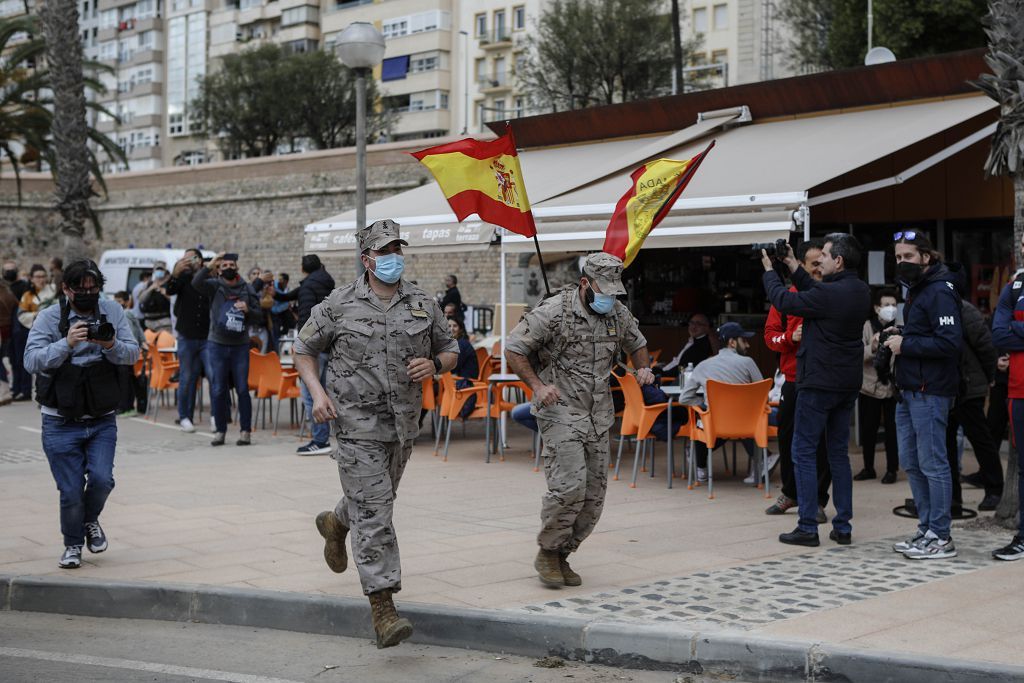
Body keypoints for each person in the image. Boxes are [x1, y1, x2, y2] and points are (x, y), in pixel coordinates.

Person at [295, 219, 458, 649]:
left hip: (404, 424)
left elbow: (451, 349)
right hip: (354, 424)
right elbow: (304, 349)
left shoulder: (422, 302)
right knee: (377, 515)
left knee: (375, 503)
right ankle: (383, 606)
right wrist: (316, 394)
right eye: (385, 252)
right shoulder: (340, 303)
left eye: (397, 251)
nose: (393, 259)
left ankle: (334, 522)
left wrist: (436, 365)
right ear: (367, 259)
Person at [505, 252, 652, 588]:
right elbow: (514, 347)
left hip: (598, 415)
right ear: (585, 283)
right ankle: (547, 550)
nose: (609, 298)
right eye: (603, 291)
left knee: (594, 496)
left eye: (614, 292)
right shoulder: (555, 311)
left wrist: (644, 366)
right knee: (569, 487)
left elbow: (637, 343)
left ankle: (562, 554)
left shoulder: (617, 312)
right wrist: (538, 386)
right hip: (560, 412)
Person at [23, 260, 140, 569]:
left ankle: (88, 521)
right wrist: (67, 343)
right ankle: (73, 545)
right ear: (66, 289)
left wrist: (110, 343)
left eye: (94, 288)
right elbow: (31, 361)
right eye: (81, 289)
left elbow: (133, 352)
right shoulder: (50, 317)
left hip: (101, 416)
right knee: (71, 490)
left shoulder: (112, 311)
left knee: (102, 480)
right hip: (60, 419)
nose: (88, 294)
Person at [762, 234, 871, 548]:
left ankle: (808, 525)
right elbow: (815, 289)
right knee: (838, 454)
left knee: (803, 452)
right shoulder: (860, 290)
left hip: (818, 382)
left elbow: (784, 300)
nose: (819, 260)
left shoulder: (828, 295)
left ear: (838, 261)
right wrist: (792, 264)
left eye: (823, 255)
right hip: (847, 384)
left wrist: (770, 271)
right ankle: (843, 526)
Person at [886, 231, 962, 560]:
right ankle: (926, 527)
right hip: (909, 390)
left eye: (908, 257)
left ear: (926, 258)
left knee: (933, 463)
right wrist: (900, 333)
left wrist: (906, 344)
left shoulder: (940, 291)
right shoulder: (917, 290)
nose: (902, 263)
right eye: (898, 257)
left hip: (930, 390)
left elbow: (949, 343)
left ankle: (941, 535)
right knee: (911, 462)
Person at [764, 240, 833, 522]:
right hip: (793, 379)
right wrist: (789, 339)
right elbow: (769, 337)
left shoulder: (832, 295)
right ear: (800, 265)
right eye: (813, 264)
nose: (819, 269)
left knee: (821, 443)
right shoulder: (785, 297)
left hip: (824, 381)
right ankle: (791, 492)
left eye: (822, 263)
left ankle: (816, 499)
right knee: (788, 438)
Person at [678, 322, 768, 482]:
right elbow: (763, 394)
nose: (747, 345)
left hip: (713, 424)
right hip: (747, 425)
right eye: (744, 340)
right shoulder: (747, 362)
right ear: (732, 342)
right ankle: (763, 459)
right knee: (745, 415)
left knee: (702, 420)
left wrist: (705, 402)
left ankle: (701, 468)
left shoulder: (703, 365)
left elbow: (684, 398)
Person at [943, 263, 1000, 513]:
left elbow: (986, 348)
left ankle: (995, 490)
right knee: (946, 446)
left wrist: (989, 377)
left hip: (969, 388)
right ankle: (953, 498)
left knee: (981, 441)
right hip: (945, 389)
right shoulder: (937, 309)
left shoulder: (966, 311)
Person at [192, 252, 261, 447]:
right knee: (218, 388)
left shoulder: (247, 288)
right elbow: (196, 283)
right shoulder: (214, 286)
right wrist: (210, 264)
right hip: (217, 344)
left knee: (242, 389)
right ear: (219, 269)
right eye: (224, 265)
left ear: (237, 267)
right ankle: (220, 431)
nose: (229, 267)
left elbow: (259, 316)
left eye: (232, 264)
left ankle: (245, 431)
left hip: (240, 346)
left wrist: (248, 310)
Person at [273, 254, 335, 456]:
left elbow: (307, 318)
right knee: (322, 390)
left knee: (311, 393)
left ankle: (319, 439)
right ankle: (323, 436)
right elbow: (286, 296)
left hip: (313, 348)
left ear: (303, 268)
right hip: (326, 345)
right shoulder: (325, 282)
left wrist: (301, 345)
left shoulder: (308, 286)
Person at [988, 233, 1024, 561]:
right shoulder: (1013, 288)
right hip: (1018, 390)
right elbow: (998, 333)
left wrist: (1016, 331)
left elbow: (1008, 331)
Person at [854, 288, 900, 483]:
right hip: (869, 386)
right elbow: (855, 354)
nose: (890, 309)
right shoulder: (865, 327)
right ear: (876, 307)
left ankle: (892, 470)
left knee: (892, 431)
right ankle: (868, 467)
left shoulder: (899, 329)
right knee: (869, 429)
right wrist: (872, 347)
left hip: (891, 386)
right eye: (886, 305)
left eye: (894, 305)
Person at [164, 249, 211, 433]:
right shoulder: (182, 277)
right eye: (186, 258)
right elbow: (170, 289)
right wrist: (175, 274)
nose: (189, 261)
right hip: (186, 335)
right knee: (187, 377)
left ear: (200, 260)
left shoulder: (208, 276)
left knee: (214, 375)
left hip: (206, 335)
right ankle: (185, 416)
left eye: (193, 257)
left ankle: (217, 417)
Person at [113, 290, 148, 416]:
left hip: (124, 354)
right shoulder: (128, 314)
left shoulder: (125, 315)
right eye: (115, 301)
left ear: (127, 302)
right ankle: (127, 406)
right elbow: (139, 331)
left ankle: (125, 407)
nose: (117, 304)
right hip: (128, 354)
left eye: (120, 301)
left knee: (124, 381)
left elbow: (130, 335)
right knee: (128, 380)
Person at [656, 313, 717, 378]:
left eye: (698, 324)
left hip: (675, 379)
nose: (693, 326)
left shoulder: (702, 346)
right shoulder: (694, 340)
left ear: (707, 327)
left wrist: (663, 372)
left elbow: (683, 368)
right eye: (692, 323)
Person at [4, 261, 32, 401]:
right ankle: (16, 388)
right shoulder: (5, 288)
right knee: (13, 360)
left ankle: (25, 390)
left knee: (22, 359)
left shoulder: (24, 286)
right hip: (9, 328)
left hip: (21, 327)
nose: (9, 272)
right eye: (6, 270)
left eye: (11, 269)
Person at [448, 315, 480, 418]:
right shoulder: (455, 343)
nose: (451, 329)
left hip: (466, 386)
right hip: (458, 384)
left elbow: (453, 368)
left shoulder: (461, 344)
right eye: (449, 326)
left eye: (455, 326)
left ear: (461, 329)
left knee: (431, 389)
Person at [19, 264, 58, 330]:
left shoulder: (54, 289)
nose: (41, 279)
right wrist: (38, 314)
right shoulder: (27, 295)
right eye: (38, 277)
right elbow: (21, 315)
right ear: (31, 279)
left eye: (43, 276)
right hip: (39, 328)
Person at [138, 261, 172, 333]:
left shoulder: (169, 284)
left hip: (164, 322)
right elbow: (141, 300)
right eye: (157, 269)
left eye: (161, 269)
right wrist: (151, 289)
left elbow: (174, 301)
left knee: (164, 344)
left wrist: (164, 293)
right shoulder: (149, 284)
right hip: (148, 322)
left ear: (165, 271)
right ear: (154, 271)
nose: (159, 271)